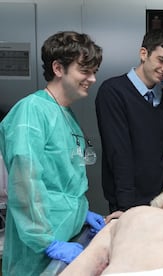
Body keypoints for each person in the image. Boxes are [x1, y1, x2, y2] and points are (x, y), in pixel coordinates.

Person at [0, 31, 106, 276]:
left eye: (94, 72)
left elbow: (63, 181)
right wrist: (47, 242)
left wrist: (81, 212)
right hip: (37, 246)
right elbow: (24, 185)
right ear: (58, 68)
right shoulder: (31, 111)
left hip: (65, 231)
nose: (92, 79)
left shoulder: (66, 114)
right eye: (84, 70)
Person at [95, 29, 163, 213]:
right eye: (162, 60)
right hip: (129, 201)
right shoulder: (113, 92)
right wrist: (124, 208)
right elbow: (118, 154)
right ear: (144, 54)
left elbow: (161, 146)